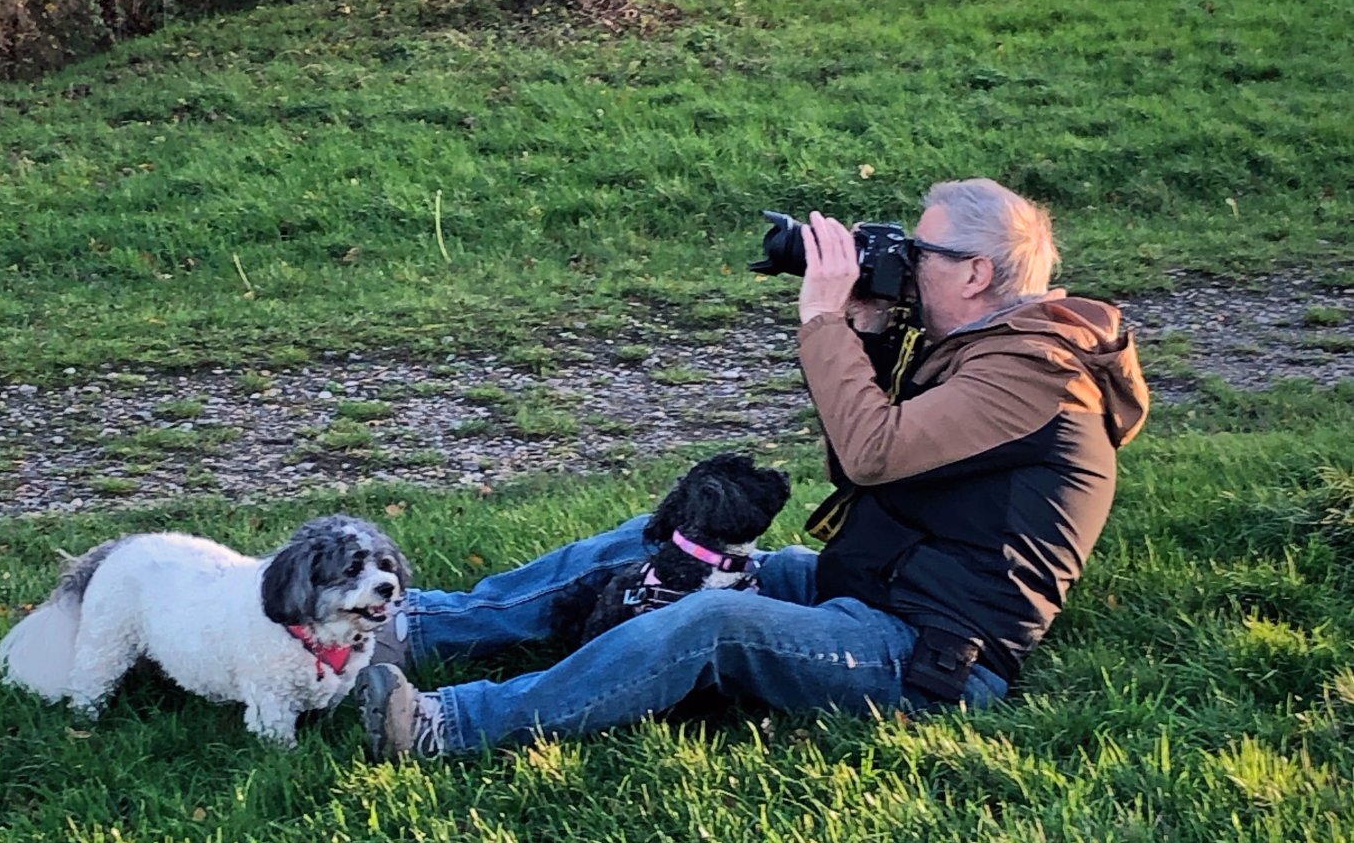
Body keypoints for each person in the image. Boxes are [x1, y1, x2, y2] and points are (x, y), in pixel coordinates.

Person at [358, 177, 1149, 759]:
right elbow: (867, 459)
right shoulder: (992, 351)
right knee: (669, 546)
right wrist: (867, 332)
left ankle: (447, 727)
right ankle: (416, 624)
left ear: (976, 272)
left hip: (926, 652)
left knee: (711, 621)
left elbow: (873, 454)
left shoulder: (1034, 373)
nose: (907, 264)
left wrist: (822, 320)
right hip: (872, 590)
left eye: (922, 251)